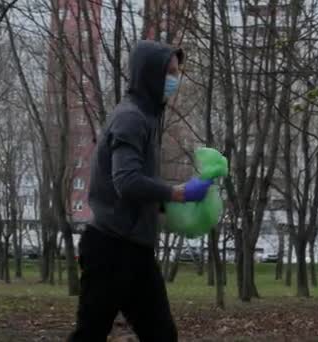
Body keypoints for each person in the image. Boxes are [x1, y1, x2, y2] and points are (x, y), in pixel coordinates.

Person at [68, 40, 212, 342]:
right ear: (149, 74)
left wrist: (171, 211)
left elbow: (129, 188)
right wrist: (178, 193)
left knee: (161, 336)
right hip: (110, 249)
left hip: (135, 250)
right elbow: (126, 180)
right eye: (169, 72)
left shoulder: (146, 117)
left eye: (177, 72)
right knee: (90, 335)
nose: (175, 80)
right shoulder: (131, 117)